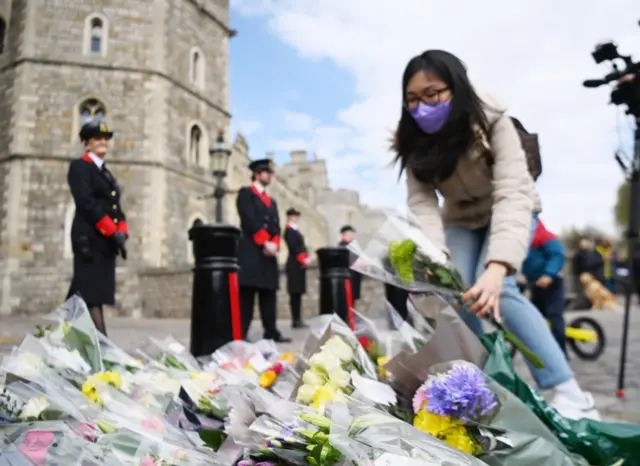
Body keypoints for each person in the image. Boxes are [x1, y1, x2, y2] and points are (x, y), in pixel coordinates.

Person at [393, 49, 599, 420]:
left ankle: (566, 390)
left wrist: (498, 264)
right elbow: (422, 204)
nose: (422, 106)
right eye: (412, 99)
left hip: (510, 207)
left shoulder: (492, 121)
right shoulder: (412, 141)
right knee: (455, 290)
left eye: (433, 93)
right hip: (459, 218)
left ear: (456, 89)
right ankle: (474, 382)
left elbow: (512, 191)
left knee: (497, 288)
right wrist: (435, 257)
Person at [66, 120, 128, 336]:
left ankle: (68, 339)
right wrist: (112, 231)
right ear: (87, 143)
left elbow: (115, 206)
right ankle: (103, 346)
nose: (103, 142)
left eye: (105, 139)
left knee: (87, 294)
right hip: (89, 239)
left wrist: (123, 231)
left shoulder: (106, 173)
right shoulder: (80, 167)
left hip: (105, 243)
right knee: (90, 295)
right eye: (97, 139)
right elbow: (87, 203)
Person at [236, 158, 291, 343]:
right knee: (247, 295)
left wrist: (275, 243)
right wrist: (264, 242)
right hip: (251, 251)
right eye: (267, 173)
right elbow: (248, 220)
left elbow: (276, 225)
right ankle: (241, 332)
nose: (270, 176)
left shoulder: (272, 201)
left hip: (269, 254)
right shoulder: (245, 194)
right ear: (257, 174)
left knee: (269, 294)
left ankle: (271, 331)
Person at [522, 220, 567, 356]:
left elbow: (557, 255)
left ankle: (561, 355)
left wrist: (548, 274)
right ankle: (542, 352)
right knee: (534, 318)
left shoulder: (544, 236)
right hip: (535, 284)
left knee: (554, 316)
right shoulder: (522, 241)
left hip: (552, 283)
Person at [283, 208, 311, 329]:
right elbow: (294, 248)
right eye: (294, 216)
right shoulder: (289, 231)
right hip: (294, 264)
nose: (296, 218)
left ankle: (298, 318)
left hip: (298, 265)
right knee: (294, 293)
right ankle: (295, 319)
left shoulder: (295, 230)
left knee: (298, 293)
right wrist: (303, 258)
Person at [338, 225, 361, 306]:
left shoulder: (352, 245)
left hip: (354, 276)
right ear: (346, 233)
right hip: (349, 277)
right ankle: (349, 318)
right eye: (351, 233)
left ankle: (351, 317)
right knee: (348, 300)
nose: (353, 235)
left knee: (352, 300)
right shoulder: (343, 245)